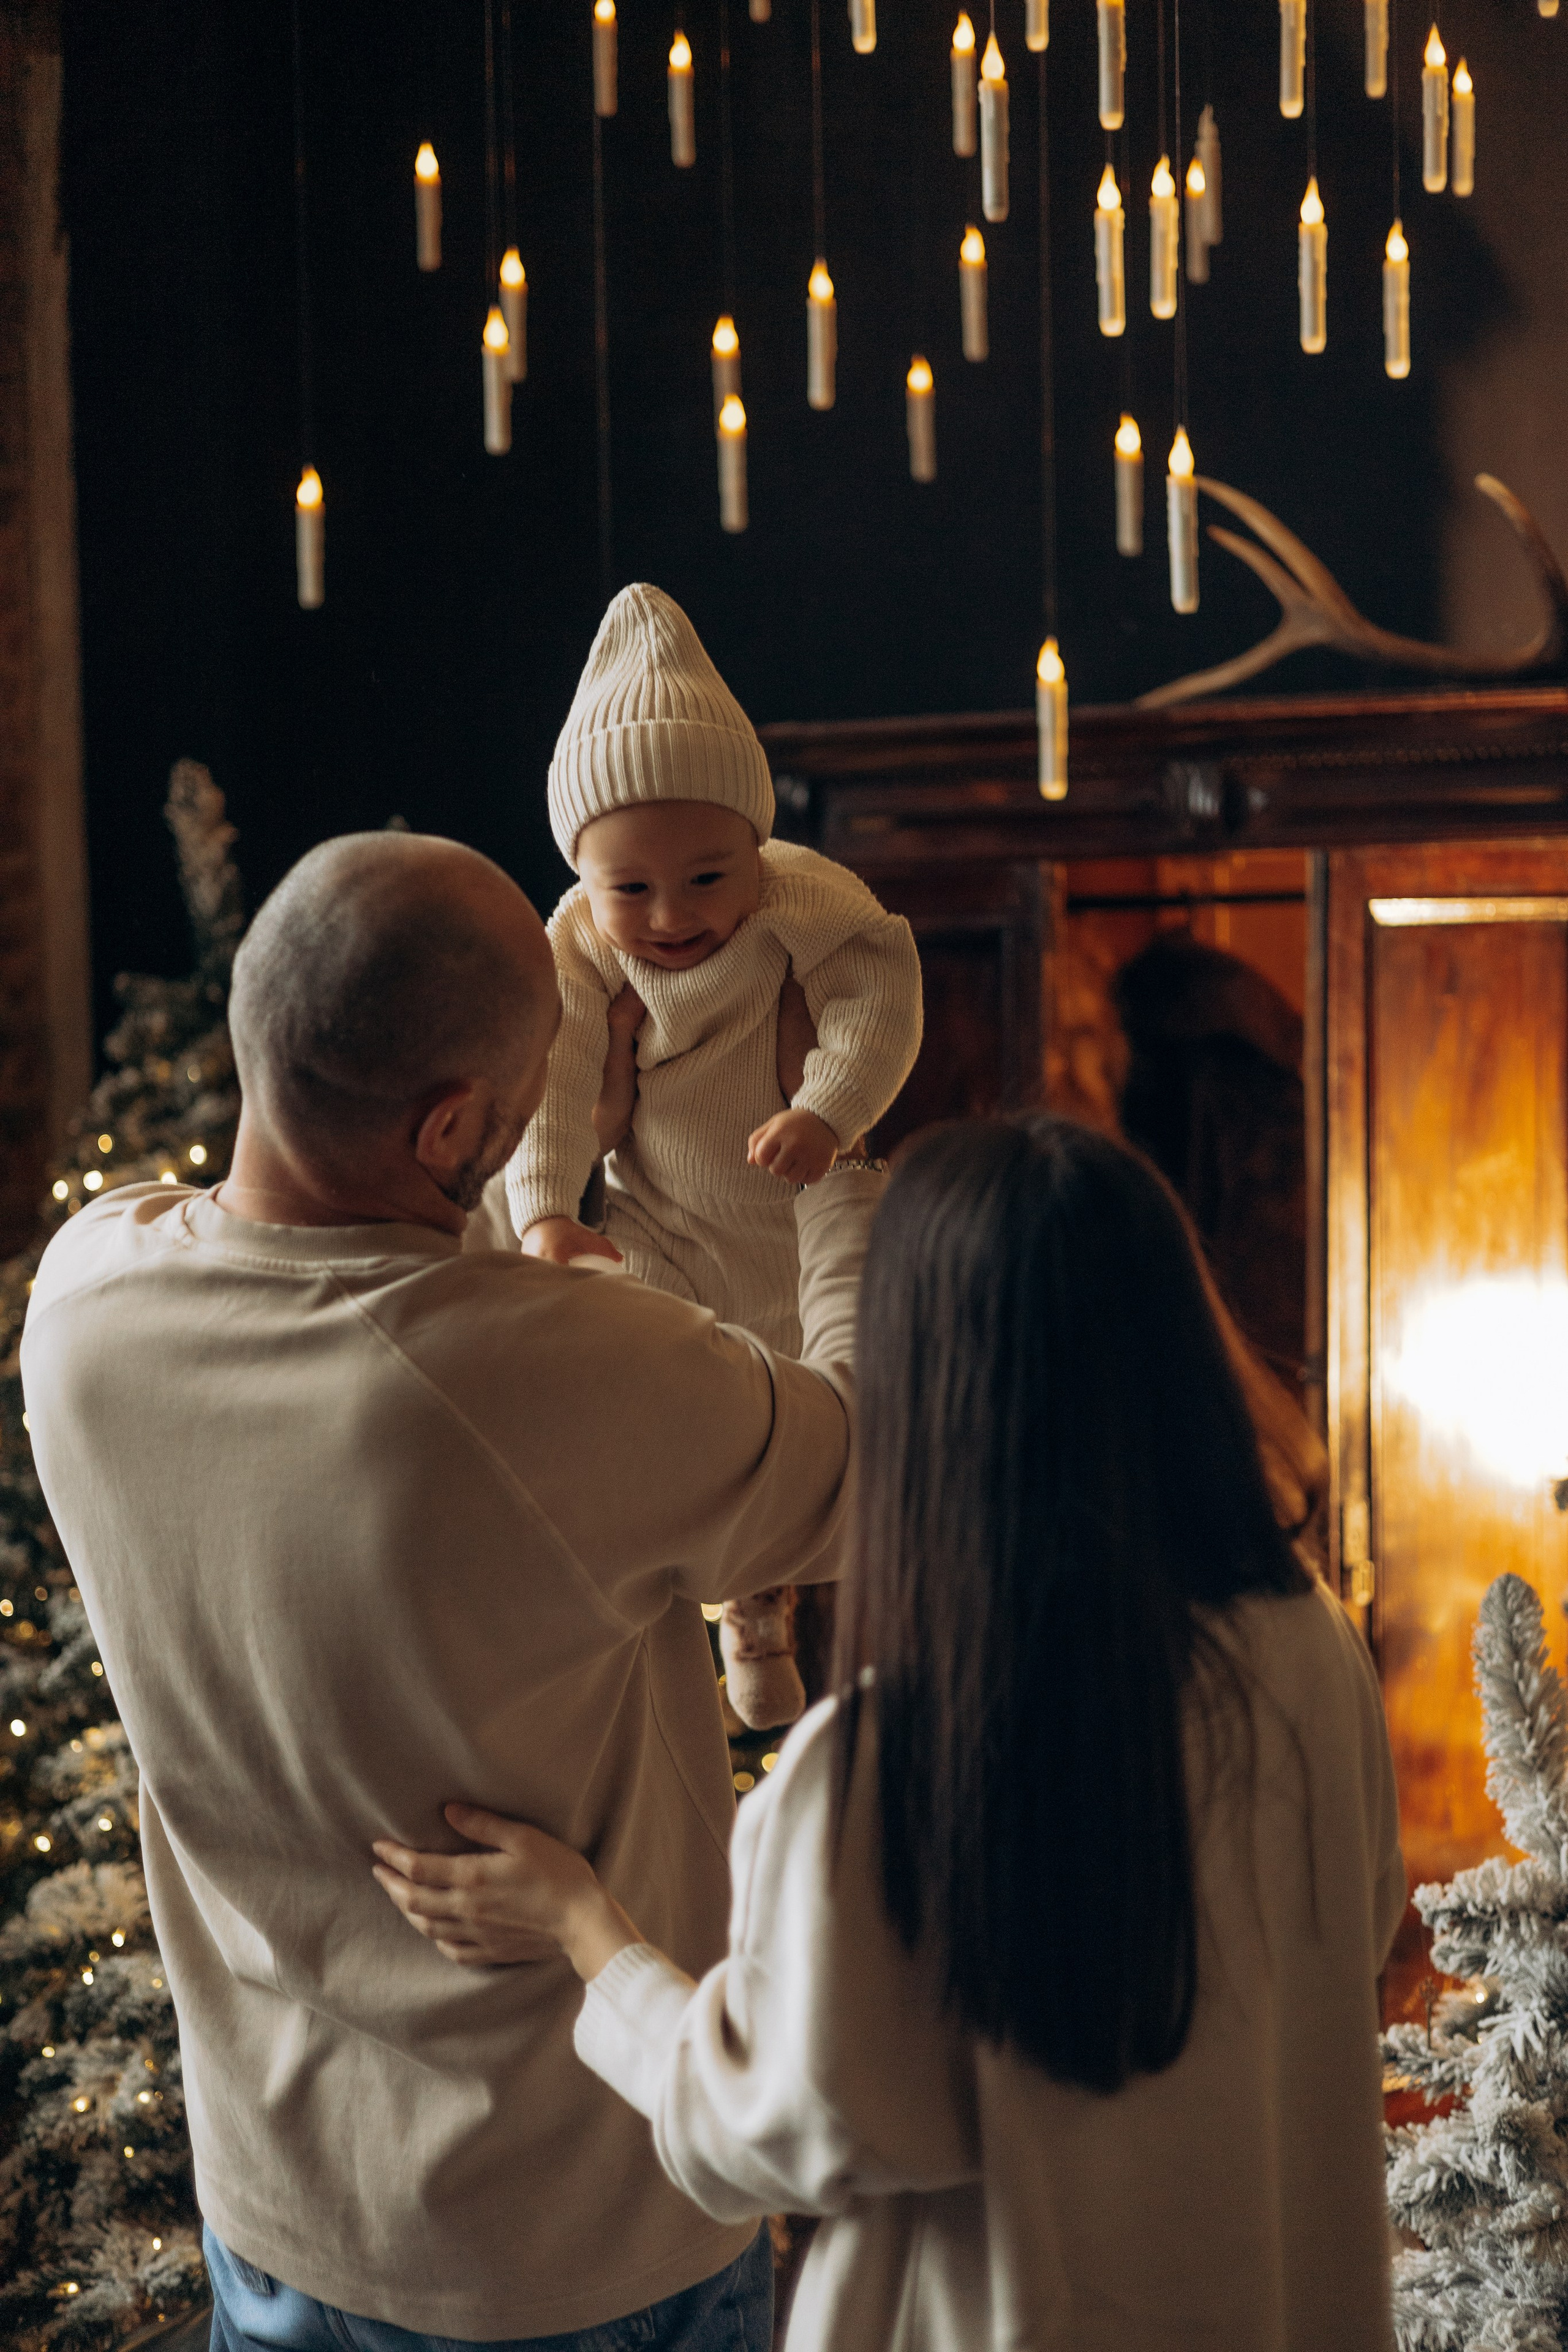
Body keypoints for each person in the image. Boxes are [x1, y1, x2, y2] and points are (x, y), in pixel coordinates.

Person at [20, 829, 888, 2352]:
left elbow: (355, 1257)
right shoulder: (556, 1373)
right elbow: (869, 1455)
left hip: (278, 2214)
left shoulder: (84, 1303)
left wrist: (530, 1164)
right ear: (451, 1133)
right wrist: (836, 1178)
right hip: (584, 2235)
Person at [374, 1116, 1406, 2352]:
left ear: (928, 1392)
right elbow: (1344, 1943)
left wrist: (584, 1925)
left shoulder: (894, 1761)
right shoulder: (1310, 1652)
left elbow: (764, 2129)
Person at [508, 582, 922, 1728]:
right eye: (628, 887)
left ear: (758, 842)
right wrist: (546, 1208)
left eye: (707, 876)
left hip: (790, 1216)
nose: (670, 916)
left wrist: (829, 1110)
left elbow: (880, 994)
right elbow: (548, 1075)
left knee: (795, 1429)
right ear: (584, 881)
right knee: (657, 1387)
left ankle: (766, 1611)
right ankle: (726, 1612)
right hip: (665, 1221)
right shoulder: (580, 951)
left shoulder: (805, 901)